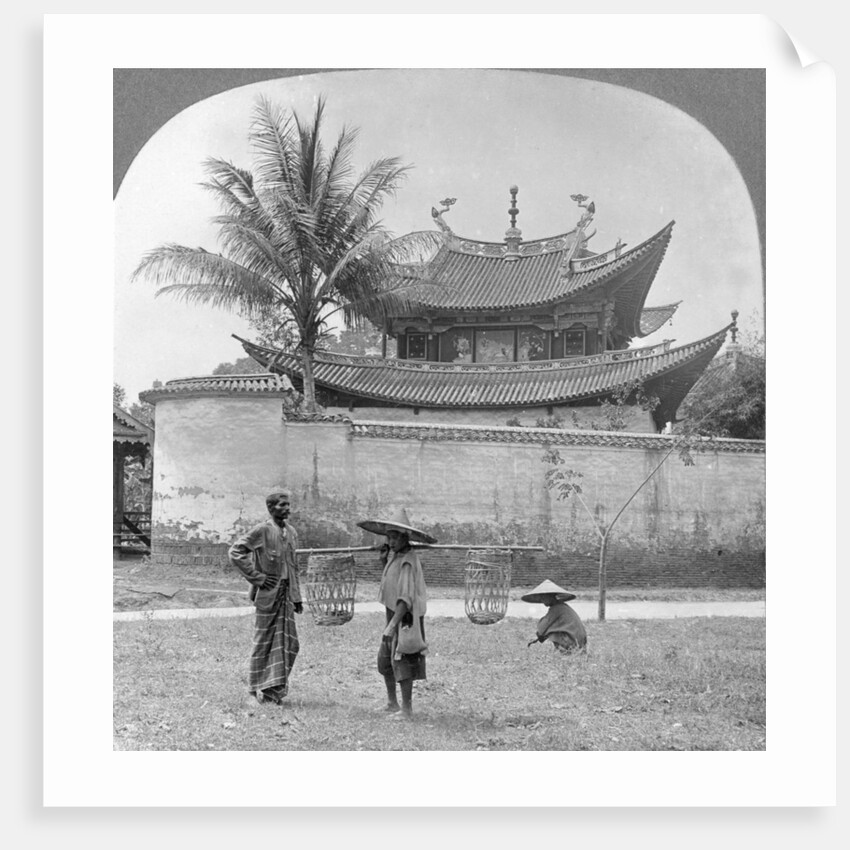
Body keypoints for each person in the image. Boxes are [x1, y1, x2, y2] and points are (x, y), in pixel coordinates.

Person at [357, 509, 436, 720]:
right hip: (392, 613)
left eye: (394, 537)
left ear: (405, 537)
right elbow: (390, 583)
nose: (390, 542)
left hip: (406, 618)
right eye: (388, 537)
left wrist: (392, 625)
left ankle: (407, 709)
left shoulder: (408, 561)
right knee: (385, 659)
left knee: (403, 659)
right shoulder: (396, 557)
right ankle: (392, 703)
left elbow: (405, 597)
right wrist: (384, 561)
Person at [228, 490, 304, 705]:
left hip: (286, 596)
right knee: (262, 643)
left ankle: (272, 692)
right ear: (271, 508)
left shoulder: (292, 532)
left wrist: (296, 596)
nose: (287, 508)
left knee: (290, 643)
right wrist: (257, 578)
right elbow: (236, 552)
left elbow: (293, 566)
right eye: (282, 505)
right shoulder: (262, 530)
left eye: (288, 504)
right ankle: (252, 691)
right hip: (268, 596)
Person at [523, 579, 587, 653]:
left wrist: (540, 635)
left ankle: (564, 651)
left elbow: (542, 628)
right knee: (551, 629)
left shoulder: (556, 608)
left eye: (543, 597)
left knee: (552, 633)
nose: (541, 600)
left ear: (551, 597)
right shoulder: (561, 606)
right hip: (578, 642)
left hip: (573, 643)